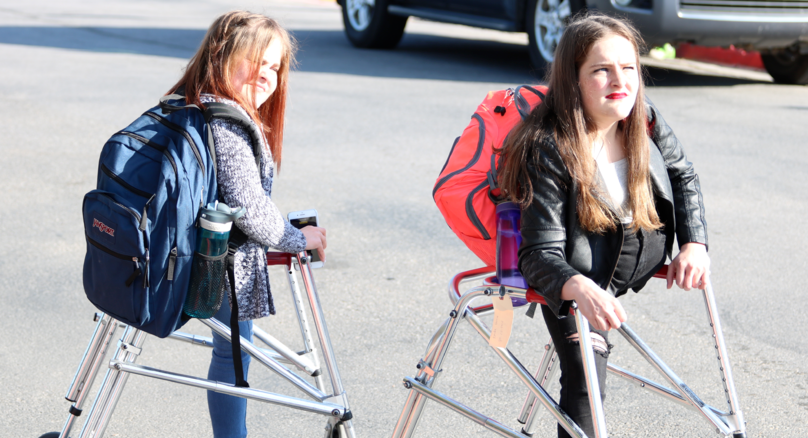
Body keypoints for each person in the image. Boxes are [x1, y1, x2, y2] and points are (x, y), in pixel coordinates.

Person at [498, 13, 710, 438]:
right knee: (584, 383)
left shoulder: (643, 119)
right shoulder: (549, 148)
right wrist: (578, 287)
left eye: (629, 68)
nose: (621, 81)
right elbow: (539, 254)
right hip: (580, 275)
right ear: (573, 80)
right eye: (601, 70)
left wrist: (694, 244)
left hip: (634, 256)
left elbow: (684, 175)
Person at [167, 11, 327, 437]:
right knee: (233, 354)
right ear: (222, 56)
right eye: (256, 61)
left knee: (232, 350)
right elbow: (251, 210)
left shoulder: (192, 102)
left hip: (182, 250)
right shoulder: (228, 122)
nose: (267, 75)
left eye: (274, 67)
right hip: (219, 265)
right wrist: (297, 238)